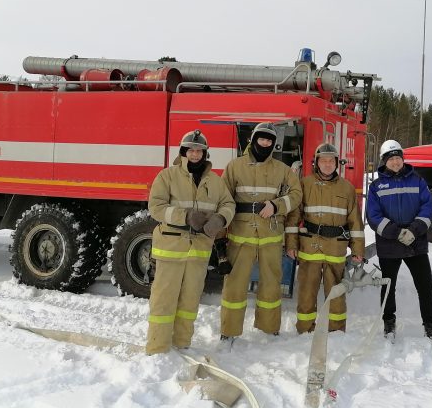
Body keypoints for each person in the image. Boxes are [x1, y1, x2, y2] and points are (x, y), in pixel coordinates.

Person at [145, 129, 236, 355]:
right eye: (191, 150)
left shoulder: (215, 181)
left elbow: (228, 204)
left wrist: (220, 218)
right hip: (171, 248)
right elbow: (155, 207)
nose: (195, 154)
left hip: (199, 251)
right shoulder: (167, 176)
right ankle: (157, 349)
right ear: (183, 152)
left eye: (199, 151)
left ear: (205, 154)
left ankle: (182, 345)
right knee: (163, 302)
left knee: (189, 301)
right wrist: (184, 216)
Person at [219, 122, 302, 346]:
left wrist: (276, 206)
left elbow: (296, 194)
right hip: (240, 235)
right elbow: (222, 199)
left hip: (270, 236)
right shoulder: (234, 167)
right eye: (262, 138)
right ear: (253, 139)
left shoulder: (282, 169)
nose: (265, 143)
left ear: (273, 144)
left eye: (269, 140)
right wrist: (219, 238)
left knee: (271, 284)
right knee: (234, 285)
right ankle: (229, 330)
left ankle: (269, 327)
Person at [366, 139, 432, 350]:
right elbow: (373, 216)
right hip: (389, 245)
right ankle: (389, 323)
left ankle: (431, 325)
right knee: (388, 287)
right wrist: (396, 232)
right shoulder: (376, 187)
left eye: (398, 158)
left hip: (415, 243)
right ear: (384, 162)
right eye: (391, 158)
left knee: (425, 287)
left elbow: (427, 208)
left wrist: (414, 230)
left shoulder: (417, 181)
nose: (395, 162)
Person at [285, 143, 365, 333]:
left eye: (331, 161)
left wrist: (358, 250)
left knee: (336, 293)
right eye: (324, 160)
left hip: (335, 248)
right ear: (316, 163)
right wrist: (291, 243)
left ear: (337, 163)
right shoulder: (304, 184)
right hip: (309, 247)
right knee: (306, 292)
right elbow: (294, 217)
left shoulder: (346, 188)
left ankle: (336, 330)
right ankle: (304, 328)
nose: (327, 164)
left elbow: (355, 221)